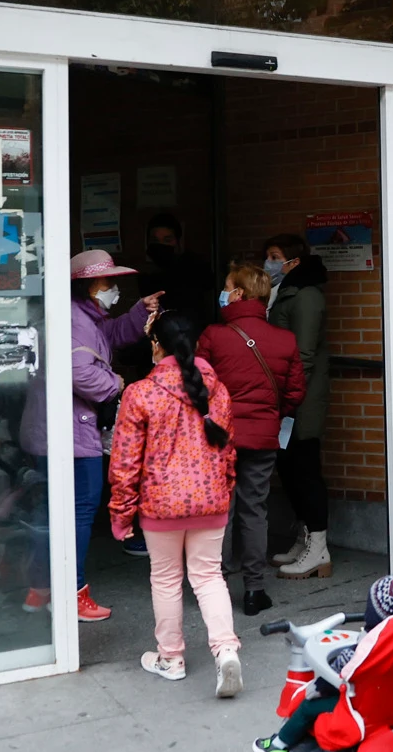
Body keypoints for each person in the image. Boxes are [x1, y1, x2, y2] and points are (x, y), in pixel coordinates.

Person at [17, 248, 158, 623]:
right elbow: (79, 372)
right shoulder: (74, 321)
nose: (113, 288)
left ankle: (40, 591)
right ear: (86, 285)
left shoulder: (80, 317)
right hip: (70, 437)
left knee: (50, 515)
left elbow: (108, 336)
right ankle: (73, 594)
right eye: (107, 281)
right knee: (77, 516)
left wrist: (140, 312)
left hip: (53, 433)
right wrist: (116, 382)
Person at [108, 313, 242, 698]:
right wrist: (225, 489)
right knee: (209, 577)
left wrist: (121, 513)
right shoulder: (217, 390)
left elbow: (125, 461)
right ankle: (227, 649)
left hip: (160, 505)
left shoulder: (141, 393)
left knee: (166, 579)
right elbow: (228, 450)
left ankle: (171, 658)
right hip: (210, 499)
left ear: (156, 345)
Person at [199, 261, 305, 615]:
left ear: (239, 293)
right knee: (255, 510)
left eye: (228, 286)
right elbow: (294, 393)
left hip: (220, 437)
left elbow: (198, 386)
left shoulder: (213, 335)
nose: (224, 292)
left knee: (221, 511)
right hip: (263, 436)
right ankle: (254, 591)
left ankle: (217, 587)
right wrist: (267, 416)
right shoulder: (285, 339)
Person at [251, 574, 393, 752]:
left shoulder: (363, 651)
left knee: (308, 705)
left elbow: (337, 675)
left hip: (362, 709)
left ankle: (278, 745)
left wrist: (318, 688)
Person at [266, 235, 335, 580]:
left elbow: (303, 354)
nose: (270, 263)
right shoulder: (286, 291)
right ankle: (306, 537)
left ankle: (319, 547)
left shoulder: (306, 295)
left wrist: (290, 396)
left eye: (276, 256)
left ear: (294, 261)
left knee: (304, 468)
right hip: (288, 395)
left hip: (300, 397)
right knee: (290, 468)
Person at [141, 213, 220, 327]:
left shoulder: (195, 268)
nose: (161, 245)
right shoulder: (147, 275)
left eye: (167, 240)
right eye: (155, 240)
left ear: (178, 242)